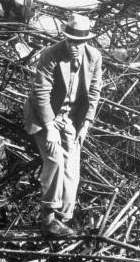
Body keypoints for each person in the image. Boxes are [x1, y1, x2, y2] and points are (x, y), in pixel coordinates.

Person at [24, 14, 103, 237]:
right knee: (55, 160)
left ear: (86, 40)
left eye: (79, 42)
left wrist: (86, 123)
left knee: (72, 169)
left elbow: (95, 91)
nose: (74, 46)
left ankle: (63, 220)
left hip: (70, 118)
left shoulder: (94, 57)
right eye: (70, 40)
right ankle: (48, 219)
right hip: (43, 116)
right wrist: (49, 128)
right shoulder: (51, 54)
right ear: (64, 38)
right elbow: (41, 92)